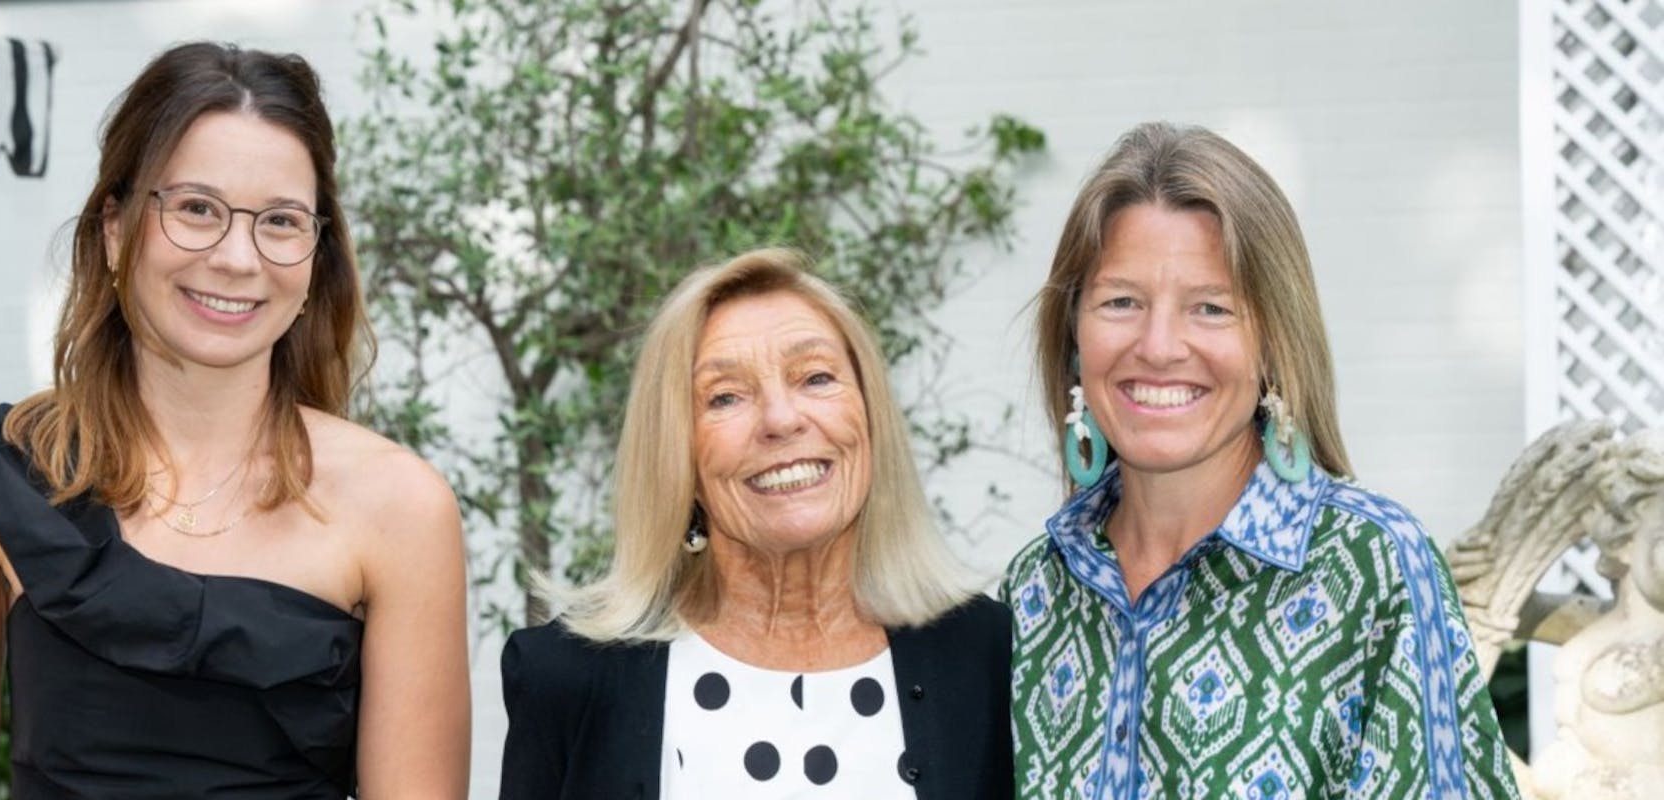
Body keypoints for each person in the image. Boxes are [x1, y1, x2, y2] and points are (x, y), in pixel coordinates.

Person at [0, 42, 469, 799]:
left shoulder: (402, 506)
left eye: (280, 221)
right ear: (115, 227)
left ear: (316, 256)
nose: (237, 257)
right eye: (196, 208)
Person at [1003, 121, 1521, 799]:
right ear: (1074, 334)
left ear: (1274, 341)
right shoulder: (1036, 590)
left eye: (1210, 308)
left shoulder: (1372, 567)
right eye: (1121, 302)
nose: (1158, 346)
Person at [498, 248, 1012, 799]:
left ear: (870, 417)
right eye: (725, 397)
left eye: (815, 377)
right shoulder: (568, 678)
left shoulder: (989, 657)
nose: (781, 420)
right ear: (679, 455)